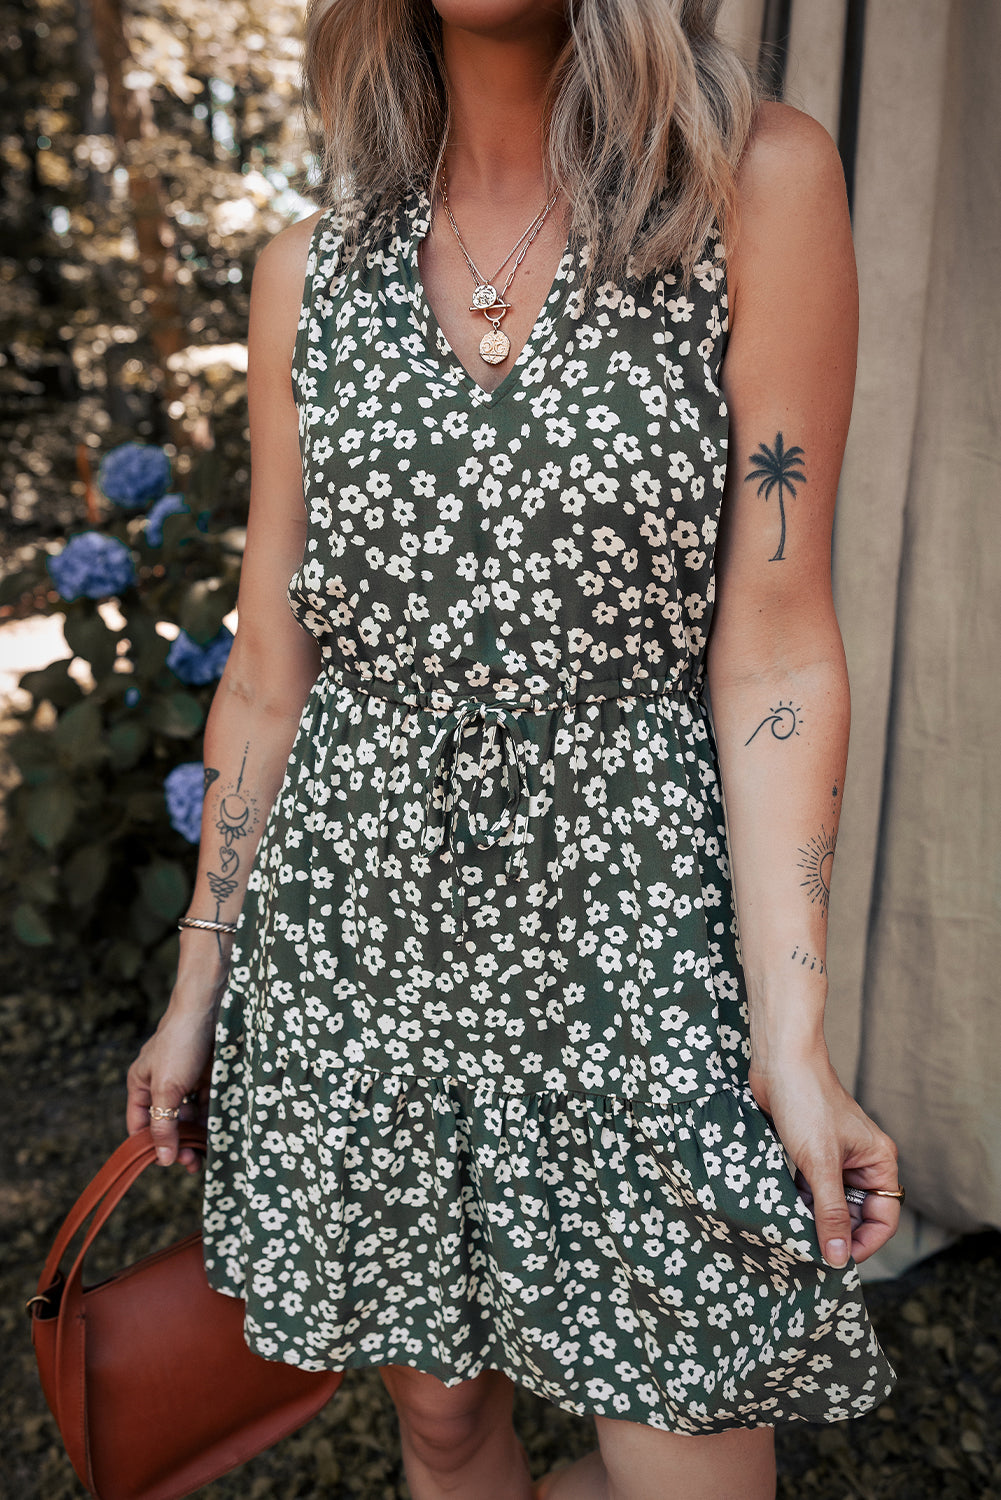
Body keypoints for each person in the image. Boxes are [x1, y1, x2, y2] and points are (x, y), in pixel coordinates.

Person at [126, 2, 904, 1496]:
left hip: (632, 928)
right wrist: (197, 982)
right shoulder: (307, 272)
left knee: (688, 1432)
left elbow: (777, 642)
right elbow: (272, 667)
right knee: (438, 1416)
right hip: (363, 928)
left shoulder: (755, 187)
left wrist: (790, 1042)